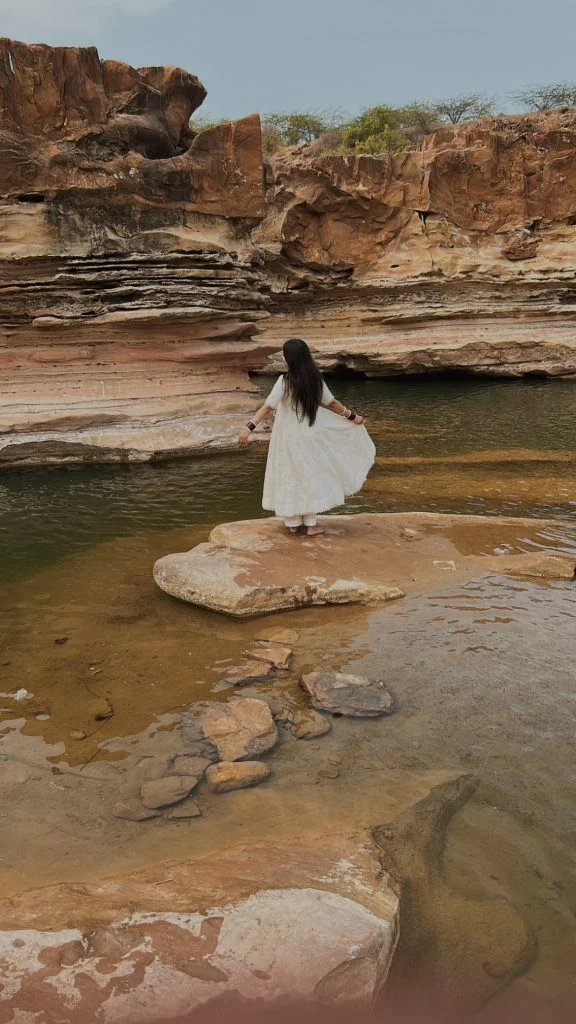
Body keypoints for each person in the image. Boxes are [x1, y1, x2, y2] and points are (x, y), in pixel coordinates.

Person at [238, 338, 376, 536]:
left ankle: (293, 522)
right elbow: (332, 403)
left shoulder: (284, 381)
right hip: (310, 435)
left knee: (289, 474)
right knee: (309, 474)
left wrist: (248, 427)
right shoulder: (315, 379)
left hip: (287, 437)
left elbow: (269, 406)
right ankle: (311, 524)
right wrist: (353, 417)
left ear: (288, 359)